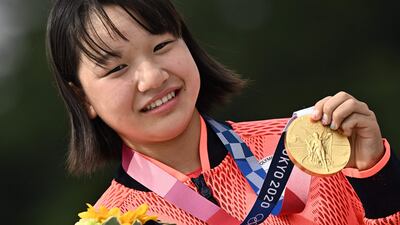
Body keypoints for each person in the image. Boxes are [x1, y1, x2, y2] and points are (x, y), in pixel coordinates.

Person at [46, 0, 400, 224]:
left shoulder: (307, 144)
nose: (152, 77)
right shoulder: (113, 220)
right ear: (83, 99)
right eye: (117, 69)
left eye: (161, 45)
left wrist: (377, 181)